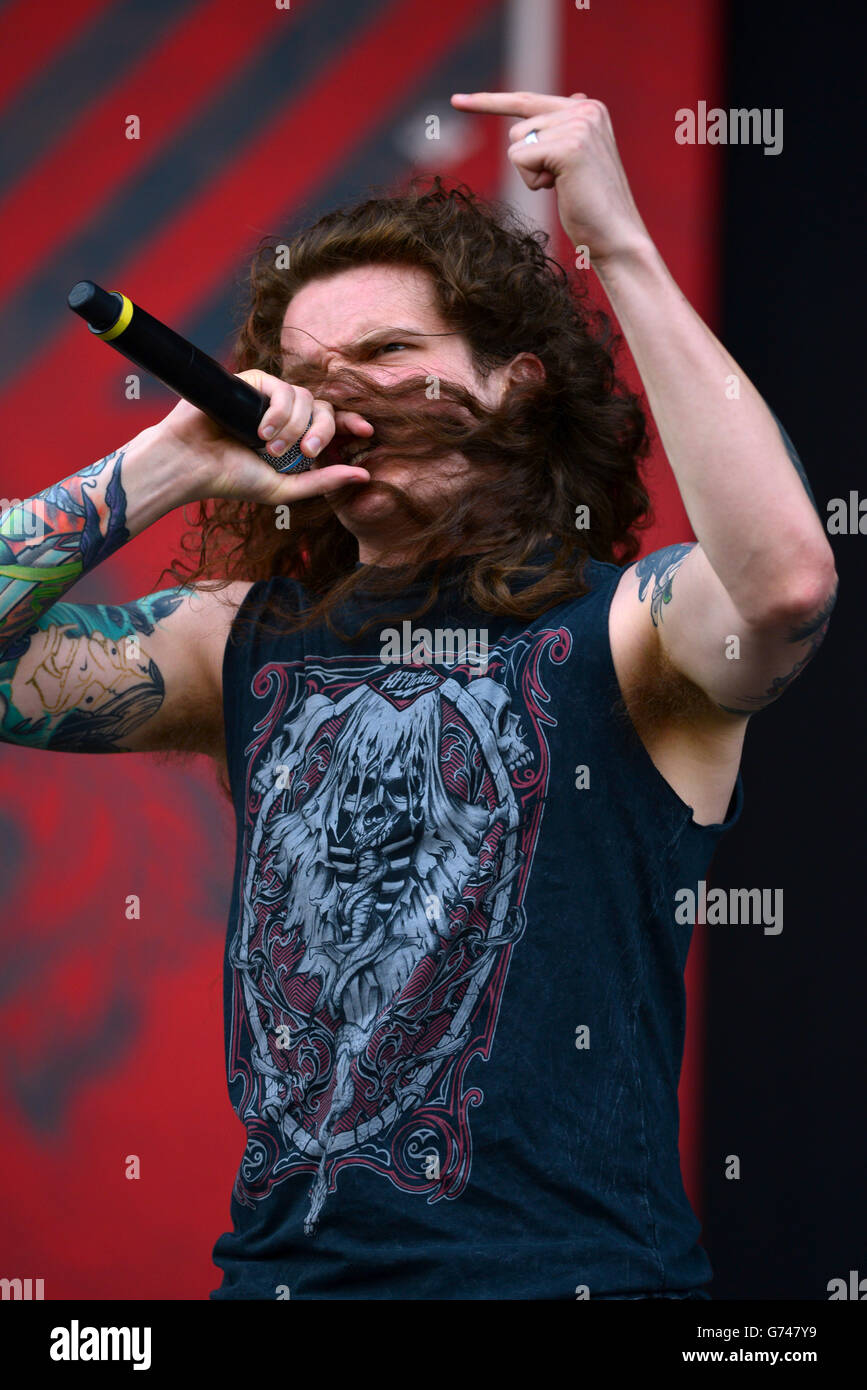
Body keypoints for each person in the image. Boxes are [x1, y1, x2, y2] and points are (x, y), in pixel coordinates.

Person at [0, 92, 836, 1300]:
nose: (343, 391)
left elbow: (787, 583)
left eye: (391, 355)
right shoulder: (241, 640)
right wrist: (162, 463)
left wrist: (619, 243)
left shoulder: (626, 634)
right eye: (302, 373)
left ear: (512, 386)